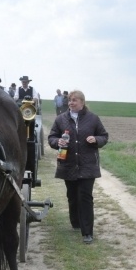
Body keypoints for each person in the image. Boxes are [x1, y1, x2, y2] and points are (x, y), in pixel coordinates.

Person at [48, 90, 109, 244]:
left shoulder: (93, 119)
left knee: (85, 197)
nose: (71, 103)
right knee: (72, 195)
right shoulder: (61, 119)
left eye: (74, 100)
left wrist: (96, 139)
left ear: (82, 102)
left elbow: (104, 136)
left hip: (88, 165)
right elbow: (51, 137)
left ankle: (87, 232)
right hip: (68, 164)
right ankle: (75, 221)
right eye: (69, 100)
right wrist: (57, 142)